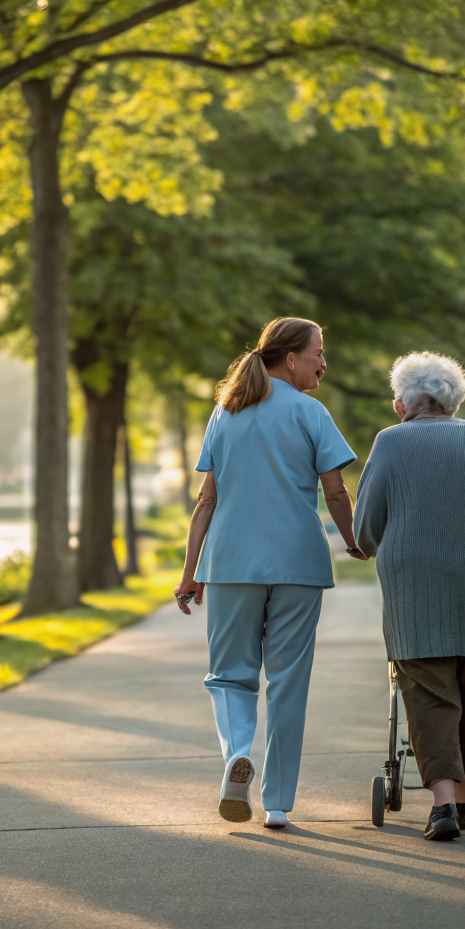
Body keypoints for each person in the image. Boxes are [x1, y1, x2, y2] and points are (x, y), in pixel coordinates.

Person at [175, 317, 367, 829]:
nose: (324, 363)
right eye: (319, 353)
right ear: (290, 359)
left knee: (230, 677)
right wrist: (353, 542)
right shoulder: (311, 412)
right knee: (287, 681)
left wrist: (189, 573)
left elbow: (206, 500)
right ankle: (278, 803)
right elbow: (335, 493)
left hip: (231, 562)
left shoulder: (226, 412)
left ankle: (237, 754)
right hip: (298, 563)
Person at [353, 351, 465, 841]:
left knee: (429, 691)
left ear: (408, 402)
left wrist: (370, 546)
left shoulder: (390, 443)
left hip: (415, 587)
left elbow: (367, 529)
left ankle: (445, 807)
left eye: (397, 400)